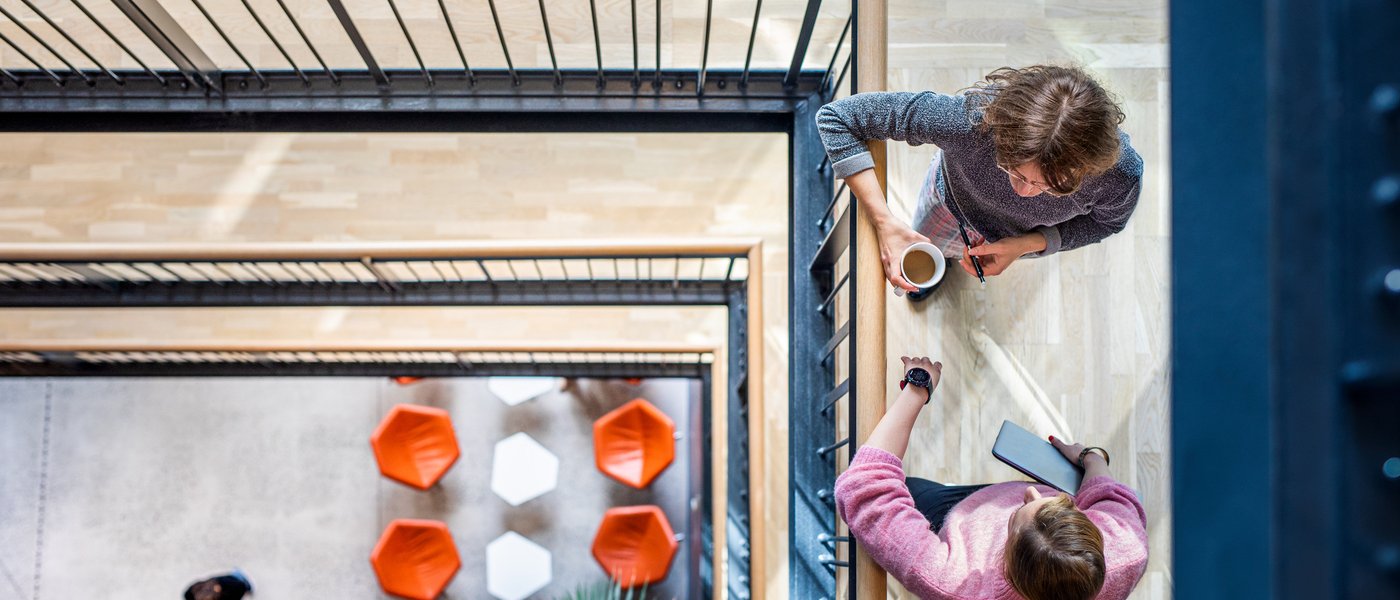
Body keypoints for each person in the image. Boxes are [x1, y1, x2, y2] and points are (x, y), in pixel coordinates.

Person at [834, 356, 1148, 600]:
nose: (1032, 493)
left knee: (912, 493)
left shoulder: (957, 583)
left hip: (952, 520)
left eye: (1014, 521)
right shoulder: (1127, 550)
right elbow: (1112, 497)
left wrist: (918, 388)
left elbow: (864, 486)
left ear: (1007, 562)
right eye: (1066, 507)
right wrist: (1090, 458)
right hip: (979, 507)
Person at [816, 65, 1144, 297]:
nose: (1025, 192)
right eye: (1012, 168)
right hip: (948, 206)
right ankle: (938, 265)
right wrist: (884, 222)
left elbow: (1107, 224)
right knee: (929, 246)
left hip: (1022, 240)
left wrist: (1028, 244)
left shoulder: (1118, 175)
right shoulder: (971, 122)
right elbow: (836, 119)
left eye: (1050, 186)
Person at [183, 569, 252, 600]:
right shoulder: (194, 591)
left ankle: (244, 585)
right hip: (218, 583)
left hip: (221, 586)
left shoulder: (198, 595)